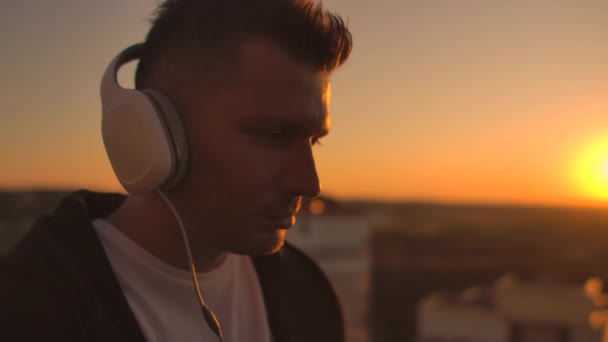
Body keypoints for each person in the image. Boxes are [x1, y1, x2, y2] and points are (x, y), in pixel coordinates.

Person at [0, 0, 352, 341]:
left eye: (314, 141)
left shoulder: (304, 288)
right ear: (158, 132)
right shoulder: (27, 310)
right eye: (275, 135)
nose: (308, 183)